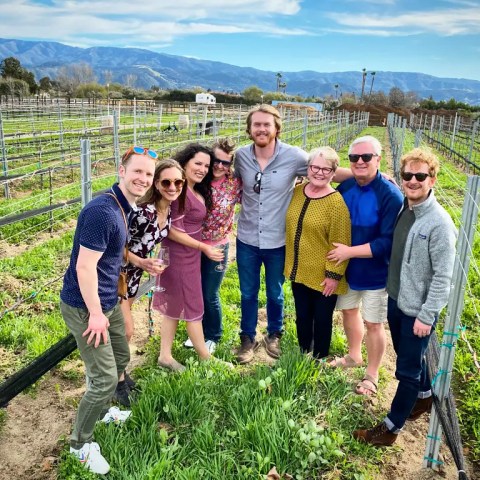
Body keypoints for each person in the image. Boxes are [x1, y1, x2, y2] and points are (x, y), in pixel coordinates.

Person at [60, 146, 156, 474]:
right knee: (102, 380)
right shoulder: (102, 211)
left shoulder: (122, 205)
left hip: (107, 301)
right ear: (122, 171)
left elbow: (114, 254)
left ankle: (102, 412)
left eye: (149, 174)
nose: (143, 179)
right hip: (87, 306)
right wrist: (96, 314)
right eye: (138, 171)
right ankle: (80, 445)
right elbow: (85, 268)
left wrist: (140, 262)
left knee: (121, 358)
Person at [234, 105, 352, 364]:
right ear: (250, 129)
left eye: (267, 124)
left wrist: (368, 176)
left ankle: (274, 333)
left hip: (278, 240)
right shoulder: (240, 156)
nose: (262, 129)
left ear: (277, 128)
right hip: (247, 238)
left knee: (275, 292)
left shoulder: (295, 156)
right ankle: (247, 336)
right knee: (247, 292)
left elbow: (325, 168)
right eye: (257, 125)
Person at [353, 147, 456, 446]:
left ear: (433, 179)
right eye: (407, 175)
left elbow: (443, 278)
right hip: (397, 300)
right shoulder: (406, 207)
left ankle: (390, 428)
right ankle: (423, 398)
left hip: (417, 311)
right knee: (411, 358)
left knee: (407, 370)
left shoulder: (439, 223)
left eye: (420, 175)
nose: (413, 180)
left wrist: (426, 316)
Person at [327, 135, 403, 396]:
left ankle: (371, 374)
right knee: (348, 312)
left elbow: (387, 242)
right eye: (354, 158)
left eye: (366, 157)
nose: (360, 162)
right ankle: (353, 355)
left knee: (373, 322)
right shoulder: (346, 187)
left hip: (376, 272)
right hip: (346, 269)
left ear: (378, 160)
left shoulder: (391, 195)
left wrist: (349, 251)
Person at [113, 159, 186, 405]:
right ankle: (117, 383)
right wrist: (142, 261)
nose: (173, 186)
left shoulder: (169, 210)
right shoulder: (143, 213)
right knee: (126, 329)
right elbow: (115, 246)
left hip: (134, 275)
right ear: (156, 183)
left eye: (178, 182)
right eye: (166, 181)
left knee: (120, 329)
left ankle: (118, 374)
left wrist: (150, 260)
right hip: (117, 274)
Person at [152, 143, 225, 371]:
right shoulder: (179, 190)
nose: (203, 169)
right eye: (198, 163)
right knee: (193, 306)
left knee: (175, 305)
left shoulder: (193, 188)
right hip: (179, 255)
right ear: (185, 163)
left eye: (206, 165)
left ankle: (165, 355)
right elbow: (171, 230)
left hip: (189, 254)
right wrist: (203, 247)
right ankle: (205, 356)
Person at [285, 146, 351, 359]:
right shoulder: (297, 192)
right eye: (315, 167)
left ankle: (320, 357)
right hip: (298, 270)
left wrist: (333, 276)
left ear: (333, 173)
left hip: (323, 276)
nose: (319, 172)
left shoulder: (335, 203)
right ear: (308, 168)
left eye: (326, 169)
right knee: (302, 316)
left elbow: (340, 243)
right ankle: (304, 351)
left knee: (322, 318)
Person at [184, 138, 242, 353]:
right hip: (192, 244)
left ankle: (213, 335)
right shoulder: (199, 180)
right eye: (216, 160)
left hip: (217, 246)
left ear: (231, 165)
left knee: (210, 292)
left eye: (225, 163)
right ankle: (197, 333)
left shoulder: (235, 183)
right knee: (194, 291)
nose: (219, 166)